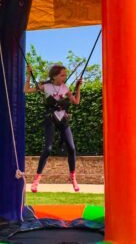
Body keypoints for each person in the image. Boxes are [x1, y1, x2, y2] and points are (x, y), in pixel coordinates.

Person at [24, 64, 82, 193]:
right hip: (51, 118)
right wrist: (29, 74)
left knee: (71, 148)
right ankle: (36, 179)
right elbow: (26, 90)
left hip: (63, 119)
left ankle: (72, 177)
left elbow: (76, 101)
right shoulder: (46, 86)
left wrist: (78, 88)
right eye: (62, 75)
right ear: (54, 76)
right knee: (48, 149)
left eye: (65, 75)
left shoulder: (65, 88)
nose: (65, 77)